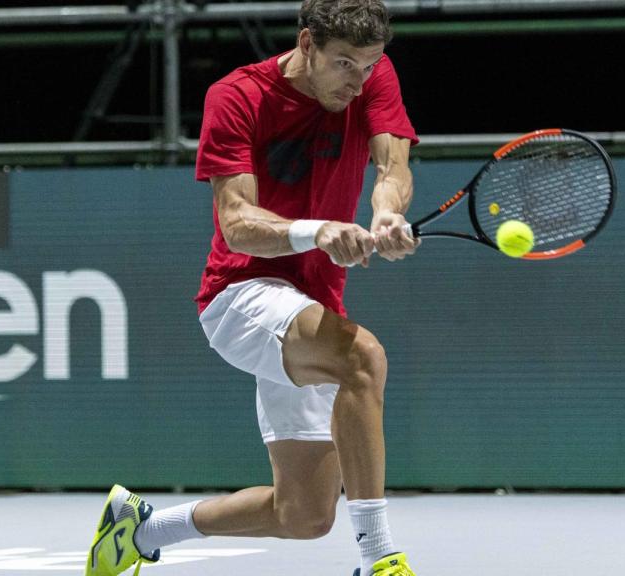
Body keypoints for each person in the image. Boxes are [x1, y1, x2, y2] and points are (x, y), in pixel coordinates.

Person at [84, 0, 418, 574]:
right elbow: (238, 225)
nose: (358, 81)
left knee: (304, 514)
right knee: (362, 359)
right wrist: (320, 231)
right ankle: (380, 559)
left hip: (313, 304)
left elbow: (392, 167)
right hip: (241, 294)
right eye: (344, 64)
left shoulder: (372, 77)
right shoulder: (237, 96)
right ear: (307, 43)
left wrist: (386, 214)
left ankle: (140, 532)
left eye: (368, 66)